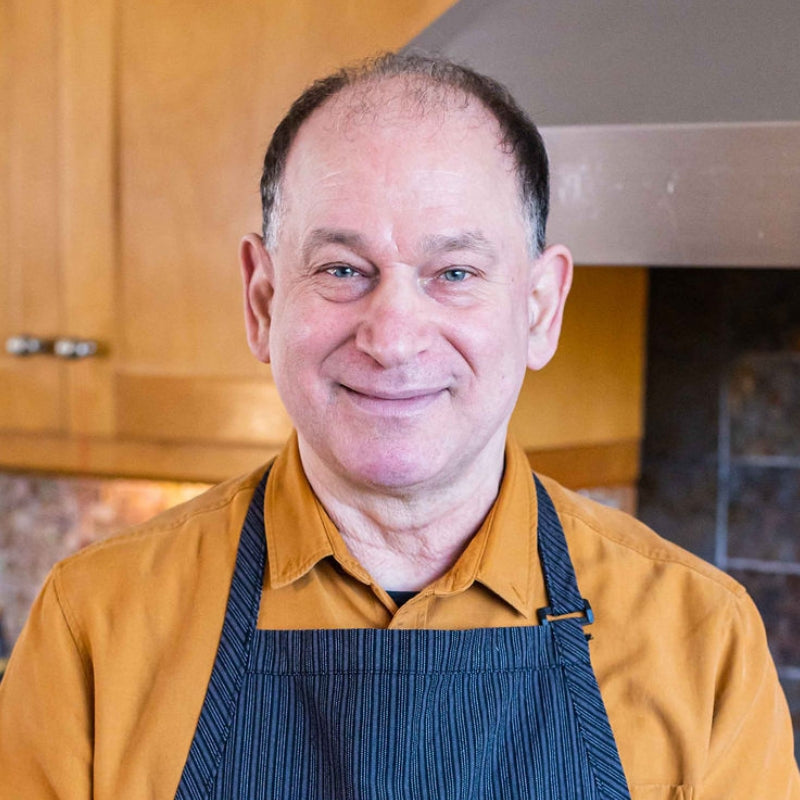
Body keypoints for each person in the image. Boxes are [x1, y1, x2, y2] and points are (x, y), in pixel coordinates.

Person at [0, 52, 797, 799]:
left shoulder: (703, 643)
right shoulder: (94, 627)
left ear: (539, 309)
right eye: (342, 270)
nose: (392, 338)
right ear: (263, 301)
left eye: (454, 272)